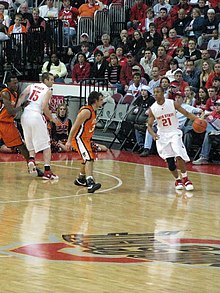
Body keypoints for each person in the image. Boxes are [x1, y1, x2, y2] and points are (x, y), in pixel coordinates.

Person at [147, 86, 197, 191]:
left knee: (179, 154)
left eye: (158, 92)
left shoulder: (172, 103)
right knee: (170, 163)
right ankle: (178, 180)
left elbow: (186, 113)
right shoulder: (153, 109)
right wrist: (153, 134)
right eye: (154, 92)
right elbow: (149, 126)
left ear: (163, 93)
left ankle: (186, 179)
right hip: (162, 136)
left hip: (174, 132)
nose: (156, 94)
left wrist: (197, 120)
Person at [17, 72, 59, 180]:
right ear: (45, 80)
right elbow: (44, 107)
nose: (53, 82)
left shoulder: (32, 86)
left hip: (25, 115)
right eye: (51, 79)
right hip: (36, 115)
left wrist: (16, 109)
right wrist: (52, 118)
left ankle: (31, 160)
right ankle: (47, 171)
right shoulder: (48, 90)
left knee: (30, 142)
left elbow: (22, 95)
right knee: (46, 145)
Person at [0, 74, 43, 177]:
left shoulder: (14, 93)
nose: (16, 85)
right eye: (14, 83)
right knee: (22, 146)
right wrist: (22, 107)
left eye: (17, 82)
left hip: (7, 123)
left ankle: (32, 167)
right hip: (3, 122)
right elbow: (10, 111)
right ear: (8, 83)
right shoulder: (5, 93)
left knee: (21, 145)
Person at [66, 91, 104, 193]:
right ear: (95, 101)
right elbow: (74, 127)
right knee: (89, 158)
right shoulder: (86, 111)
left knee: (86, 158)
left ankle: (81, 179)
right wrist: (69, 141)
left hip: (85, 139)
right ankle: (90, 183)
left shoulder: (93, 110)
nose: (103, 102)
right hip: (79, 138)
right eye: (101, 100)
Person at [193, 99, 220, 165]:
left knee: (208, 133)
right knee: (203, 126)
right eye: (216, 105)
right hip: (213, 133)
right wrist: (204, 116)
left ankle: (204, 157)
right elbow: (201, 121)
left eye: (219, 105)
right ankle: (204, 157)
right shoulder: (214, 112)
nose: (217, 107)